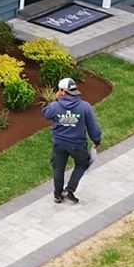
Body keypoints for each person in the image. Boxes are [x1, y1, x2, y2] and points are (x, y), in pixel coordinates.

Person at [42, 76, 102, 204]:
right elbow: (92, 126)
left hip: (59, 143)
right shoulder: (84, 107)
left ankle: (57, 195)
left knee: (58, 168)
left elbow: (46, 113)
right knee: (83, 163)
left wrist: (55, 100)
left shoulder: (55, 106)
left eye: (59, 90)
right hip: (77, 145)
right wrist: (96, 140)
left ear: (63, 91)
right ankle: (69, 190)